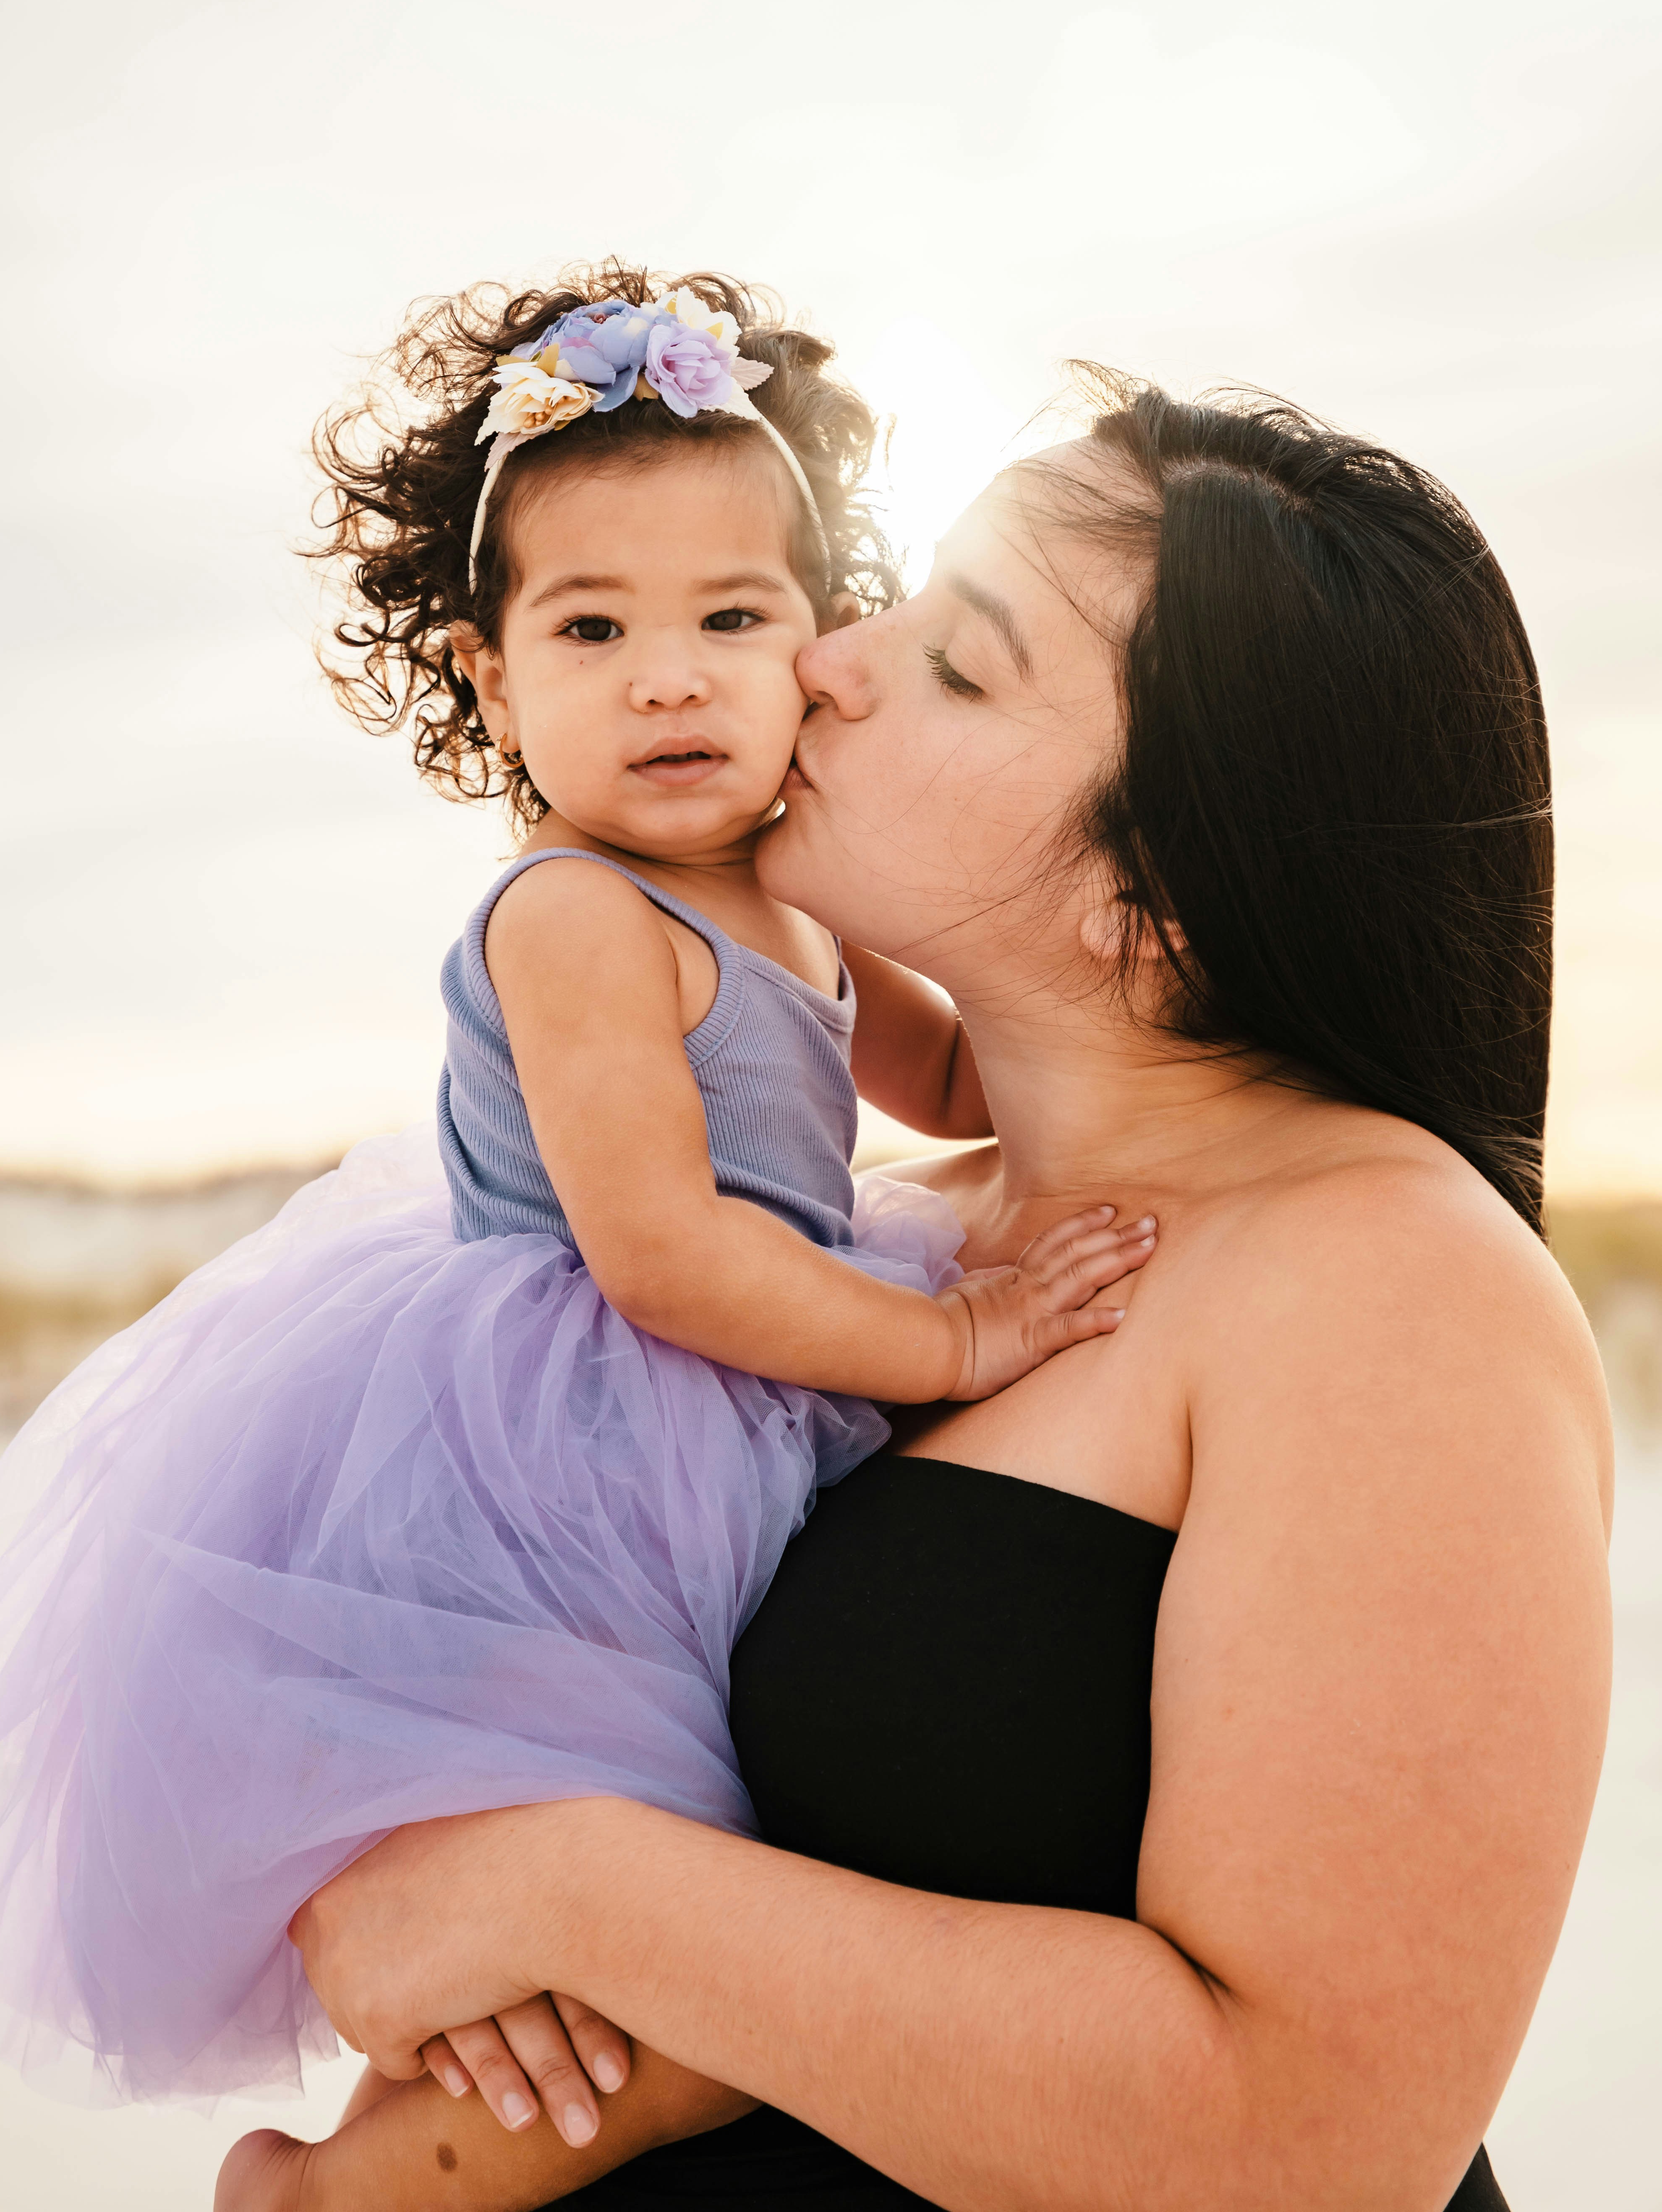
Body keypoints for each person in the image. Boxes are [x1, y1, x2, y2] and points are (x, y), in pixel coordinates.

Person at [255, 376, 1610, 2212]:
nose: (821, 660)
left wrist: (560, 1893)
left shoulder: (1384, 1281)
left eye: (959, 665)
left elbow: (1307, 2151)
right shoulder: (867, 1237)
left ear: (1155, 894)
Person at [0, 270, 1147, 2139]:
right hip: (577, 1433)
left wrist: (1118, 1022)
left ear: (814, 648)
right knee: (597, 1872)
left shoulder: (790, 879)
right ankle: (354, 2174)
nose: (668, 675)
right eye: (591, 627)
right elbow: (665, 1254)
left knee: (717, 1890)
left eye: (729, 618)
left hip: (738, 1368)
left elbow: (939, 1076)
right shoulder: (576, 915)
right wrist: (959, 1334)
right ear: (488, 676)